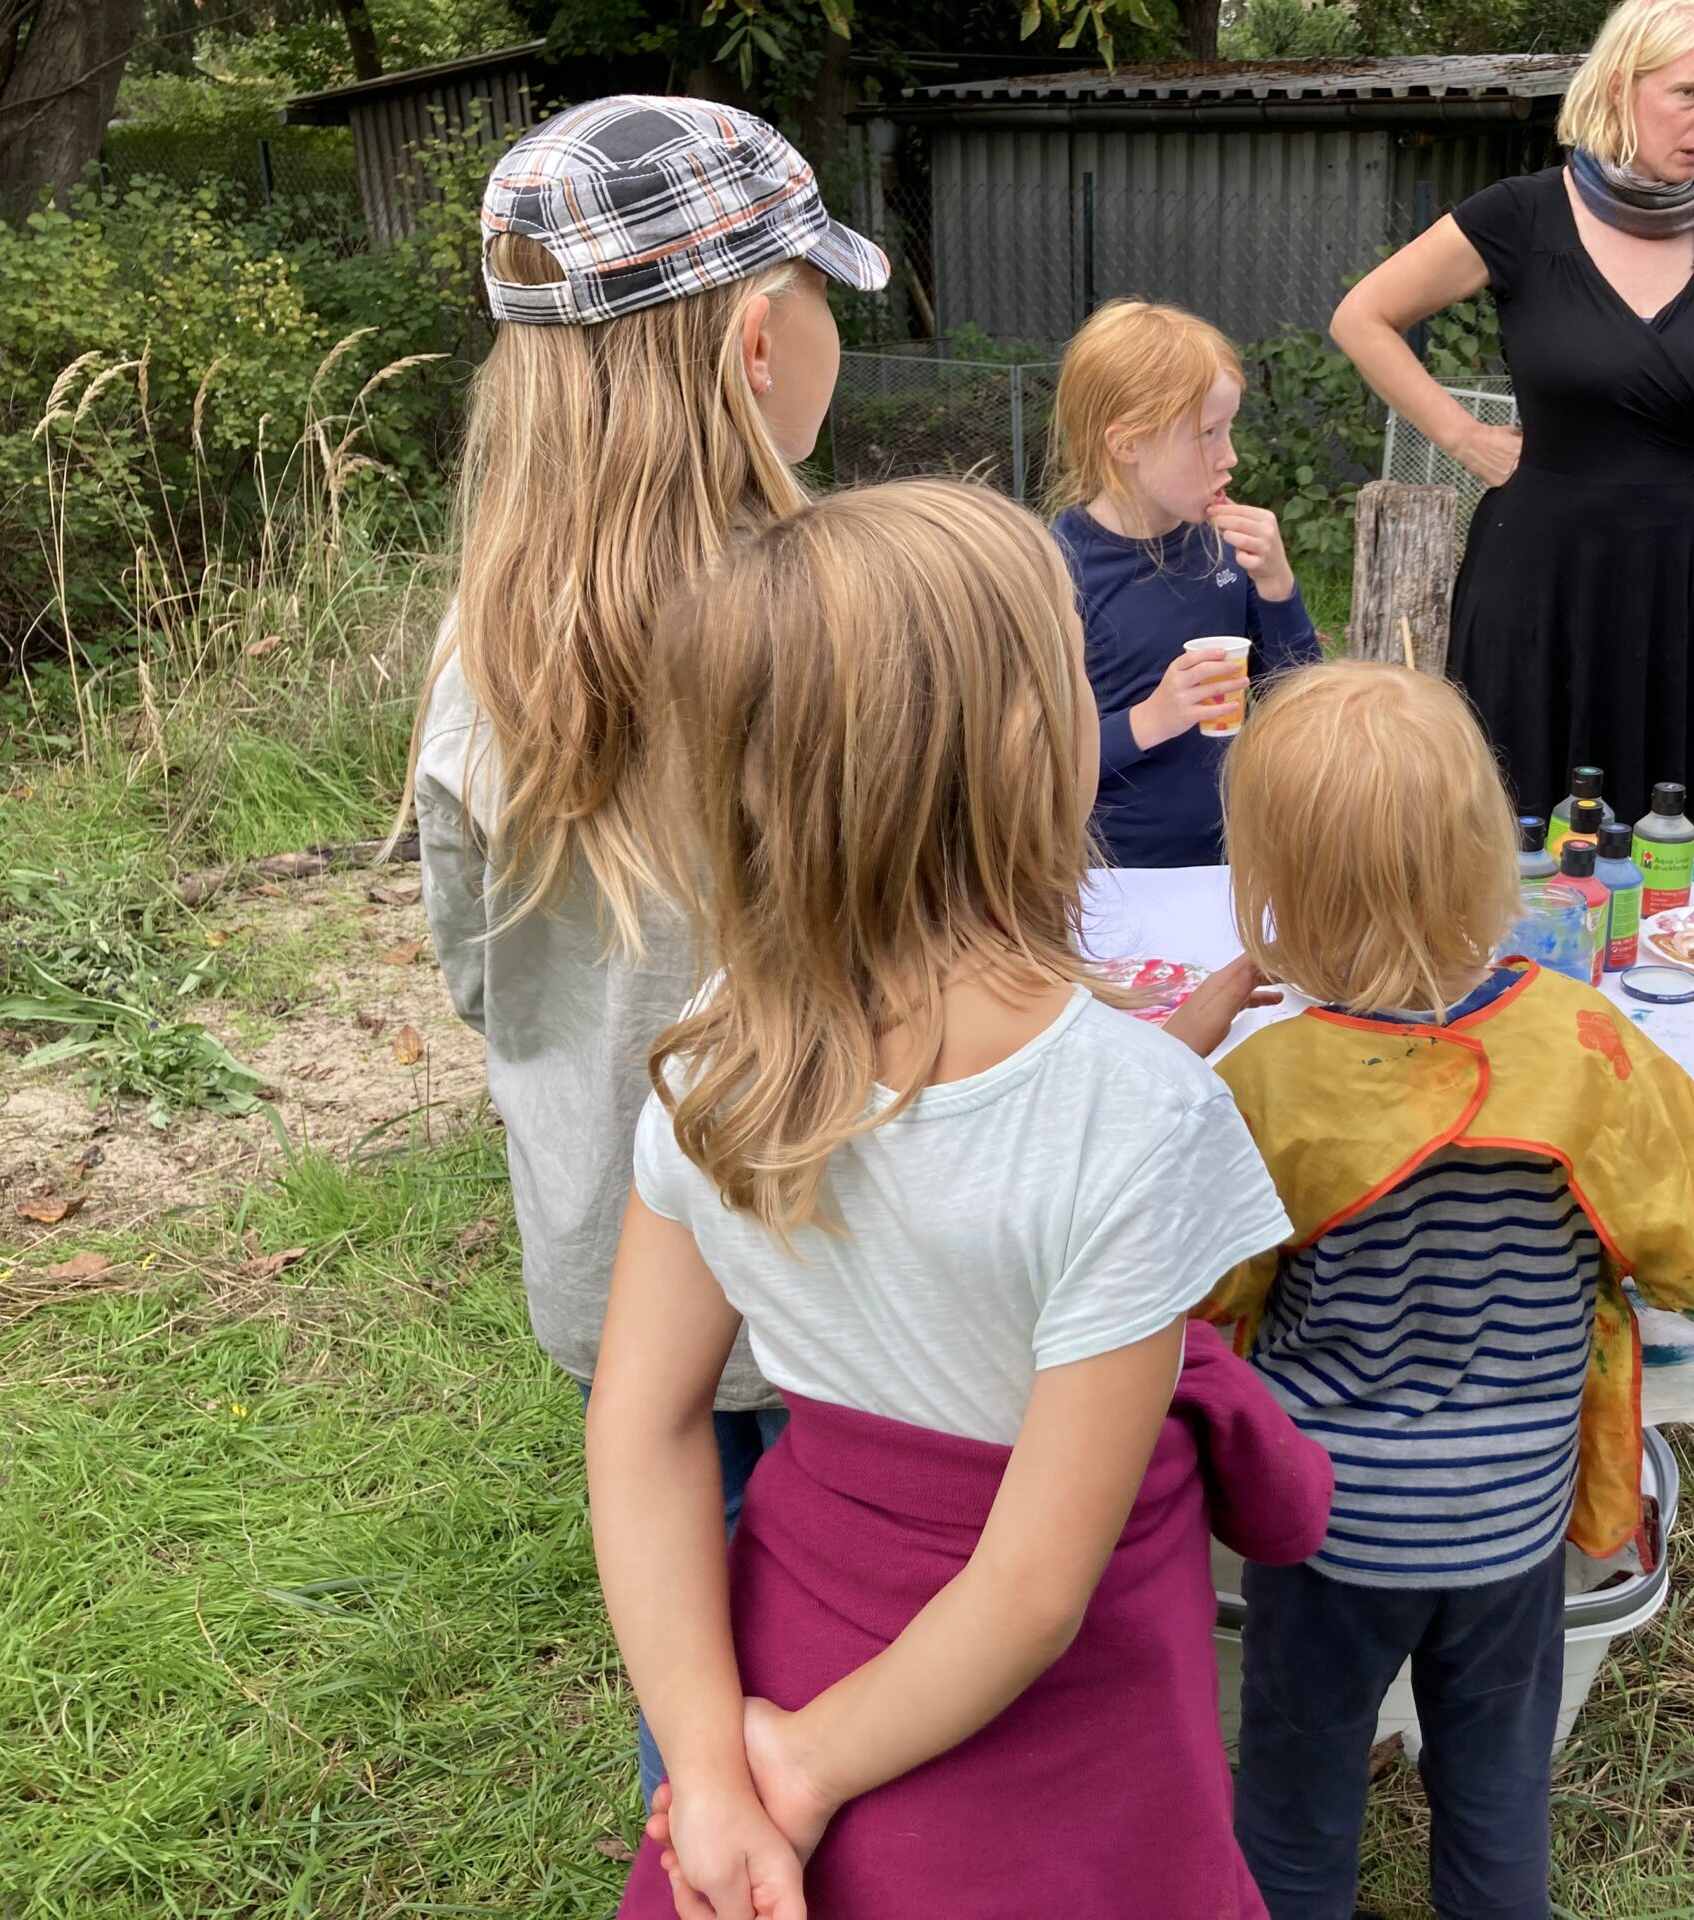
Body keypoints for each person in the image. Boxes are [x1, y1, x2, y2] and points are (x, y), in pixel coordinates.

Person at [596, 480, 1332, 1920]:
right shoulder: (1137, 1114)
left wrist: (714, 1769)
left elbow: (643, 1417)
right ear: (1022, 744)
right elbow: (1034, 1588)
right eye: (1072, 661)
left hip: (800, 1622)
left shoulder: (722, 1046)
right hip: (1049, 1751)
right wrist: (796, 1772)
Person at [408, 94, 888, 1805]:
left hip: (617, 1275)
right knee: (848, 1645)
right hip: (843, 1276)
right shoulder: (839, 621)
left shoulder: (487, 643)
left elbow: (474, 970)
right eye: (825, 294)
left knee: (682, 1624)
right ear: (762, 337)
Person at [1205, 659, 1694, 1920]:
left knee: (1295, 1804)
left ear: (1276, 887)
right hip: (1511, 1514)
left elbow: (1202, 1297)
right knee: (1498, 1803)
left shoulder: (1273, 1083)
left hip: (1328, 1524)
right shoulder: (1586, 1044)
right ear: (1486, 852)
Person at [1329, 0, 1694, 864]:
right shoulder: (1523, 217)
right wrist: (1463, 436)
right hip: (1538, 577)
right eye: (1688, 93)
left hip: (1680, 579)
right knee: (1515, 839)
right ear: (1621, 85)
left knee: (1664, 848)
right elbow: (1362, 317)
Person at [1047, 299, 1322, 868]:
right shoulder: (1054, 570)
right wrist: (1151, 719)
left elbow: (1300, 700)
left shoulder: (1222, 544)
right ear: (1127, 445)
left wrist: (1277, 586)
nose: (1231, 457)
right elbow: (1031, 766)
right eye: (1207, 433)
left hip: (1236, 857)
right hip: (1113, 876)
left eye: (1229, 428)